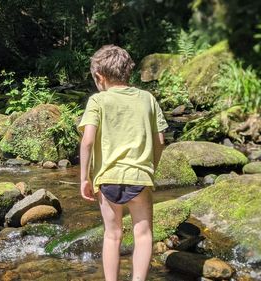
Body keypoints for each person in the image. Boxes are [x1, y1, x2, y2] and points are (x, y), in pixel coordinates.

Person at [78, 45, 167, 281]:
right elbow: (160, 140)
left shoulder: (97, 101)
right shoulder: (148, 99)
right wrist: (152, 168)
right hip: (139, 176)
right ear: (129, 71)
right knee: (143, 233)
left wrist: (84, 178)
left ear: (99, 76)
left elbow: (87, 141)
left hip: (107, 178)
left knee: (112, 235)